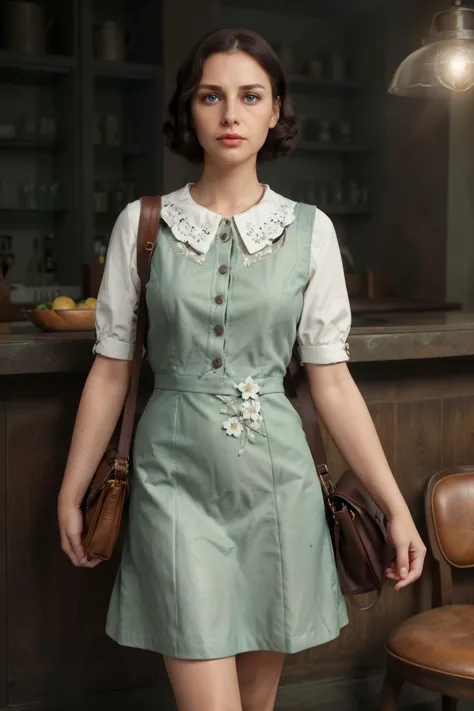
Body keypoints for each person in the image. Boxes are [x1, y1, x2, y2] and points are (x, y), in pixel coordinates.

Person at [58, 27, 426, 711]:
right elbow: (111, 369)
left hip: (279, 493)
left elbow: (333, 380)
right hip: (172, 485)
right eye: (211, 96)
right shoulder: (142, 225)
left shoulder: (311, 229)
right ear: (188, 109)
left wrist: (397, 508)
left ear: (275, 109)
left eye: (250, 96)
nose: (231, 115)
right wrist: (72, 488)